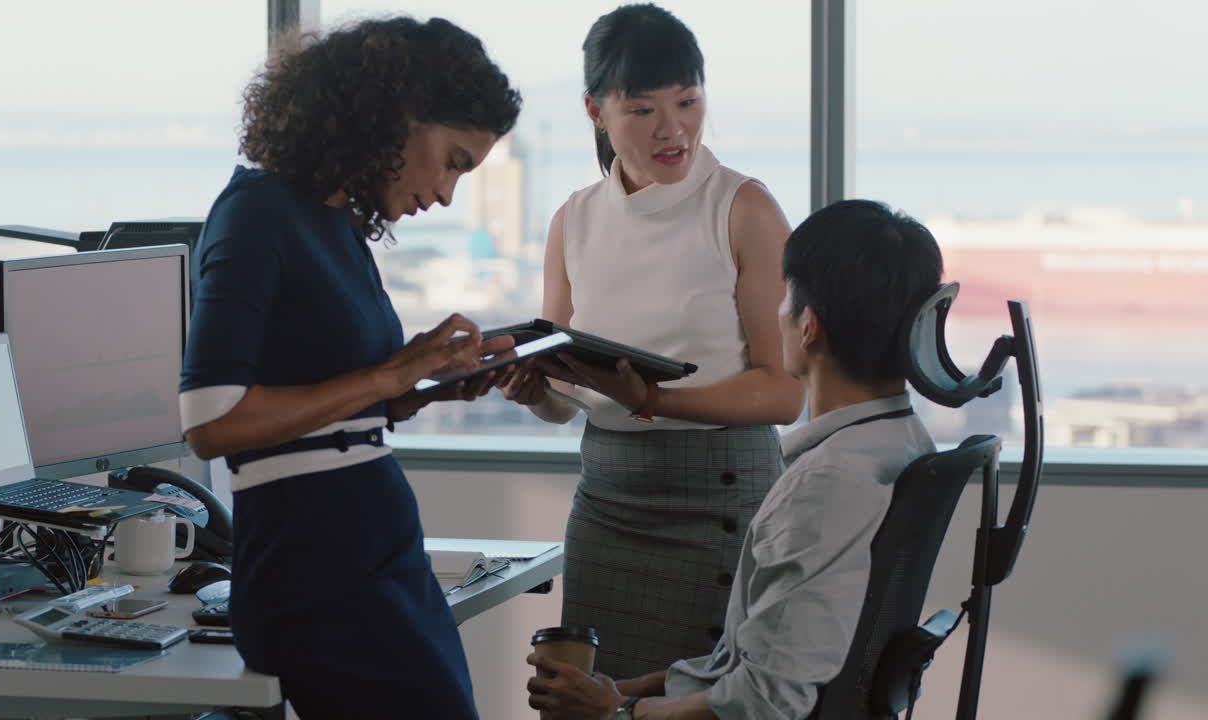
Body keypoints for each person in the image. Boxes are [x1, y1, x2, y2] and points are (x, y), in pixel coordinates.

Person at [178, 17, 522, 718]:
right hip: (316, 575)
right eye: (453, 161)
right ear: (397, 116)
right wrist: (389, 377)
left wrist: (425, 382)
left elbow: (334, 401)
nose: (448, 193)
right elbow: (211, 420)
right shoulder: (256, 213)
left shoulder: (333, 221)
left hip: (377, 556)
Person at [524, 198, 945, 719]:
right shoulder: (902, 440)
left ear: (808, 326)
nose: (777, 310)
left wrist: (620, 712)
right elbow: (755, 663)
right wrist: (628, 691)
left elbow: (767, 700)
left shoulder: (826, 485)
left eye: (785, 297)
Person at [501, 3, 805, 679]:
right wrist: (535, 393)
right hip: (607, 500)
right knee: (583, 693)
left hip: (721, 495)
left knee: (700, 700)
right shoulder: (574, 219)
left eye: (688, 102)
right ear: (595, 110)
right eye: (643, 110)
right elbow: (564, 393)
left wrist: (653, 401)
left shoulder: (744, 208)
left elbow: (784, 392)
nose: (674, 129)